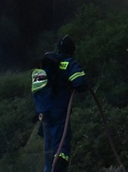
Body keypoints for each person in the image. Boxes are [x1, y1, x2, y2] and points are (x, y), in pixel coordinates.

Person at [32, 35, 88, 172]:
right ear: (71, 50)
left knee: (48, 150)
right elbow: (81, 82)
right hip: (59, 112)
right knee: (61, 147)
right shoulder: (67, 62)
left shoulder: (46, 65)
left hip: (44, 114)